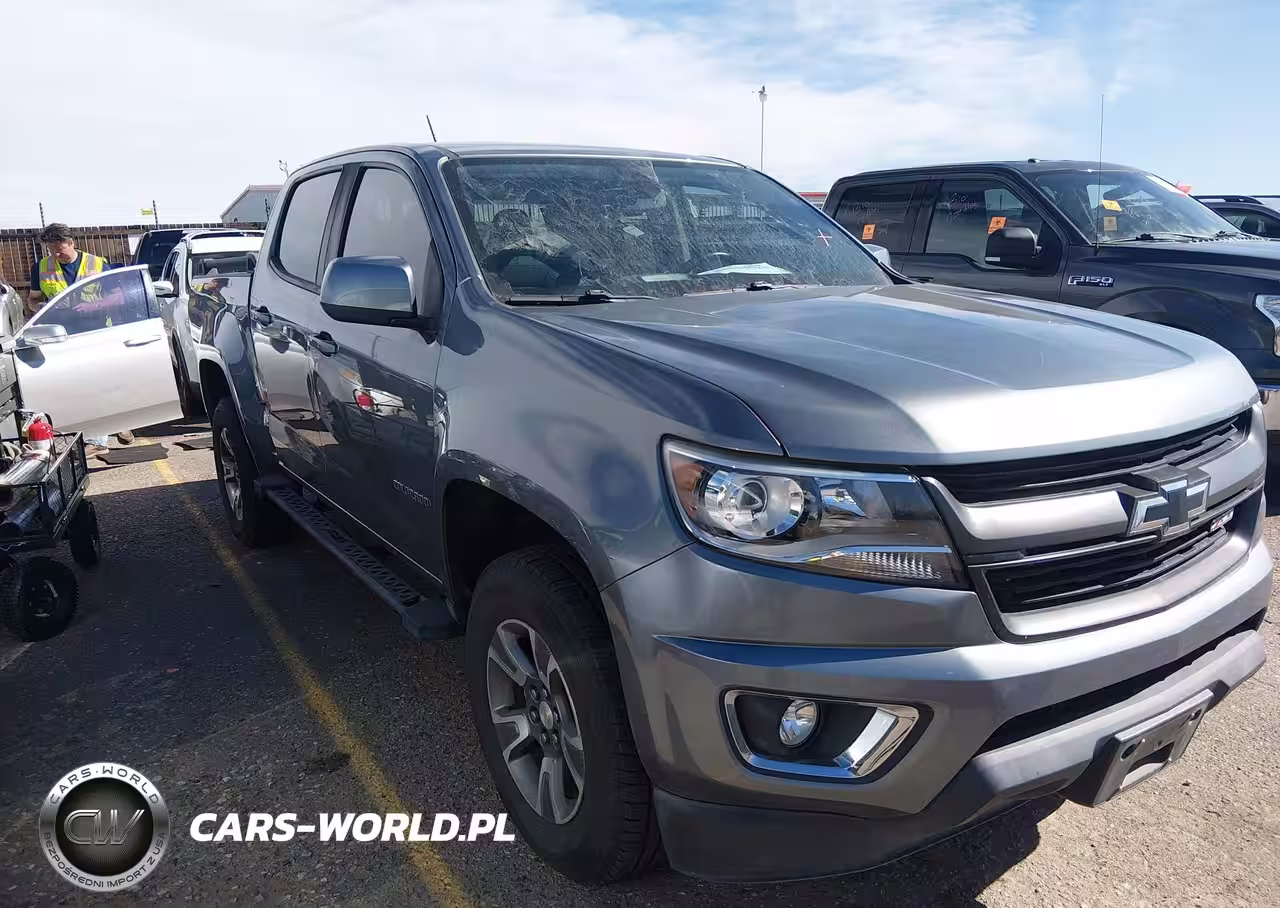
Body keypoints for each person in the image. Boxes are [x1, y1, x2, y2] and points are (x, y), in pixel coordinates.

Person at [27, 224, 133, 451]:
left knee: (104, 382)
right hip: (63, 337)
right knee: (84, 386)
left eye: (59, 248)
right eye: (51, 249)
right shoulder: (41, 268)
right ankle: (104, 433)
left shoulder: (97, 264)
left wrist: (93, 306)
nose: (56, 254)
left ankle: (112, 426)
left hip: (97, 332)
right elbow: (33, 299)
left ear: (71, 243)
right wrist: (42, 309)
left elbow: (118, 297)